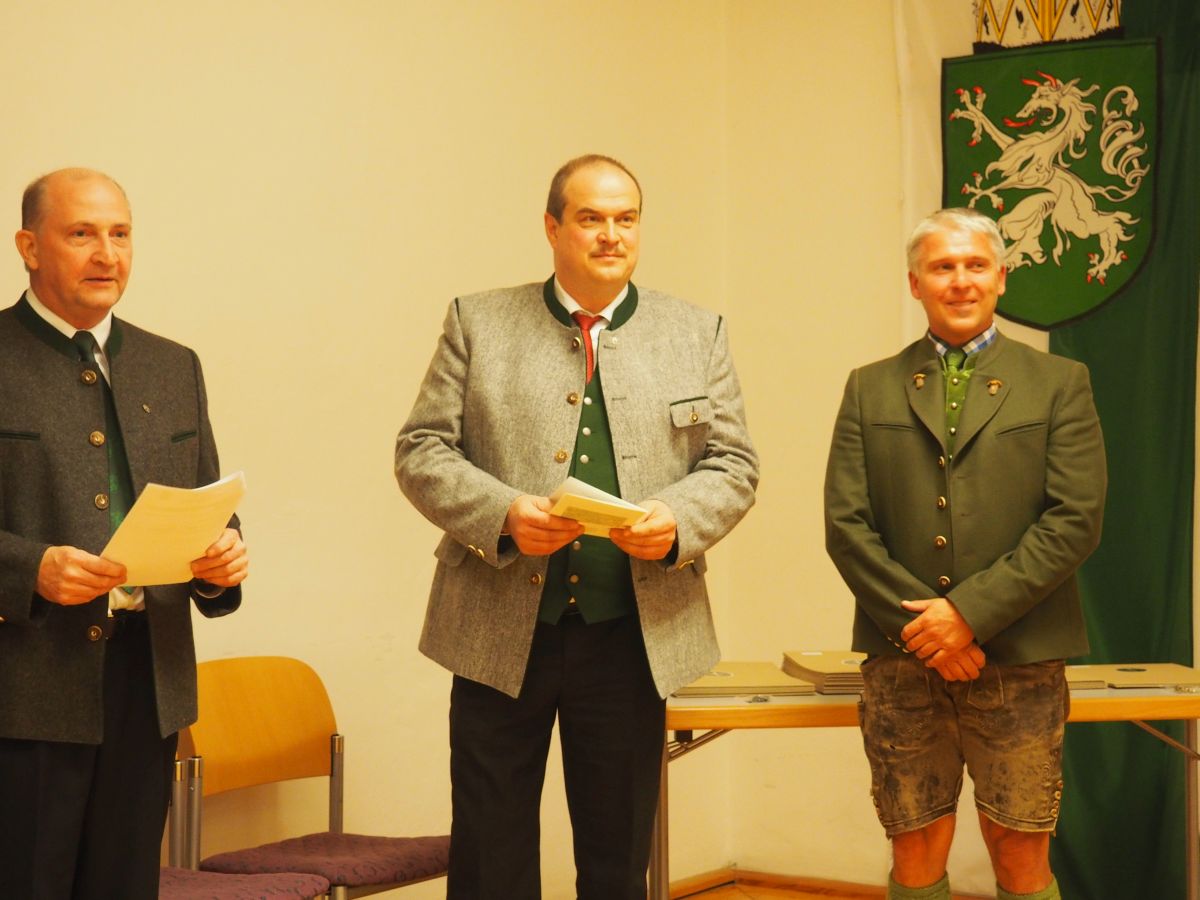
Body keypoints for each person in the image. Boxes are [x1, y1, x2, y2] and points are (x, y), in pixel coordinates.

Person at [395, 154, 758, 899]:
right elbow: (421, 449)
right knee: (490, 856)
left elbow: (733, 464)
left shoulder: (697, 332)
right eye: (591, 218)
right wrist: (502, 514)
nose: (610, 235)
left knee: (618, 857)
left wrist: (678, 521)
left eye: (626, 219)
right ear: (553, 227)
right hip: (497, 629)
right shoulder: (477, 322)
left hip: (633, 632)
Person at [824, 207, 1106, 900]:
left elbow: (1075, 520)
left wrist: (968, 616)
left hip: (1022, 659)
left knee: (1019, 849)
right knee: (914, 846)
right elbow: (846, 525)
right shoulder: (869, 385)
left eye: (975, 265)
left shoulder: (1060, 382)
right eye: (942, 267)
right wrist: (928, 631)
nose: (960, 280)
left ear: (1001, 277)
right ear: (914, 283)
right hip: (903, 659)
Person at [0, 168, 249, 899]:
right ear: (29, 246)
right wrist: (29, 568)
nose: (106, 254)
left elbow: (206, 502)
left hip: (149, 680)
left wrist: (221, 558)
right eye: (81, 234)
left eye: (120, 234)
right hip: (25, 686)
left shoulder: (174, 365)